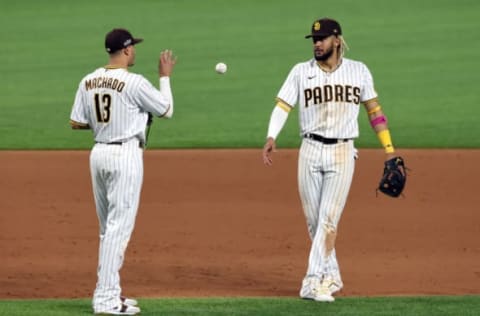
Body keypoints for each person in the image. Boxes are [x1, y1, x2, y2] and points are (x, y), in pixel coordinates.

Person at [262, 18, 400, 302]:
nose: (317, 43)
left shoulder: (358, 71)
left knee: (328, 220)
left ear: (337, 40)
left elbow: (374, 111)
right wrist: (271, 135)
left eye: (323, 38)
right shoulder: (301, 72)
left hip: (342, 152)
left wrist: (389, 149)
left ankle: (312, 283)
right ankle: (332, 276)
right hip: (309, 149)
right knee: (314, 223)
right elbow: (282, 105)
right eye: (314, 39)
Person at [69, 28, 176, 315]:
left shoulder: (88, 80)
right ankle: (105, 300)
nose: (135, 52)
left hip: (98, 154)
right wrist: (164, 76)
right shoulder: (134, 82)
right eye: (134, 48)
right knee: (118, 230)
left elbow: (77, 122)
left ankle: (111, 293)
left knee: (108, 229)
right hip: (124, 156)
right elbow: (166, 109)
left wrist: (111, 120)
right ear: (127, 50)